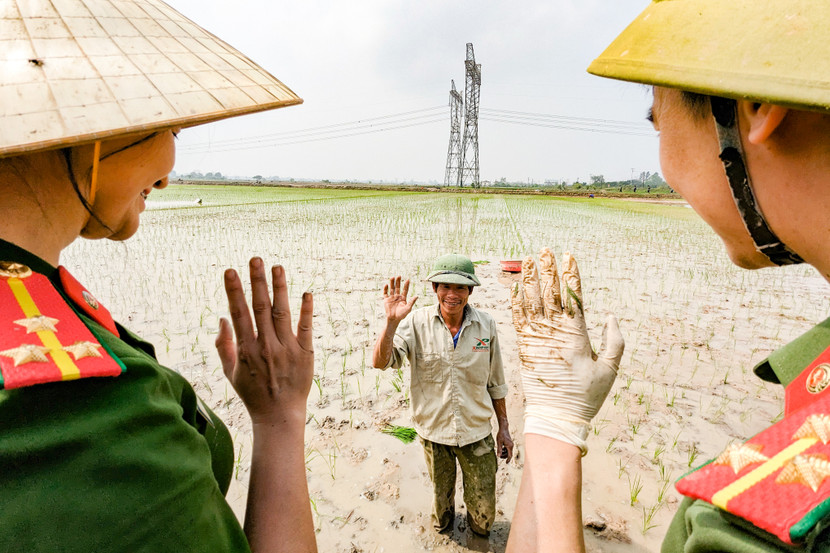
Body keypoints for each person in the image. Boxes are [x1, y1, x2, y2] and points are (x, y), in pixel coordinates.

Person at [507, 1, 830, 551]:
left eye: (658, 120)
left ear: (756, 106)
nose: (662, 158)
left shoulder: (768, 524)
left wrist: (556, 431)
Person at [0, 2, 315, 552]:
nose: (167, 175)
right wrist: (280, 417)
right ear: (93, 130)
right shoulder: (91, 414)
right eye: (166, 125)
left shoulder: (42, 295)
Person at [372, 253, 514, 537]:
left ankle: (478, 532)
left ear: (470, 291)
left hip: (476, 433)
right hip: (434, 434)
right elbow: (382, 362)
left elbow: (495, 381)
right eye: (445, 286)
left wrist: (504, 428)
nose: (452, 294)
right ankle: (444, 531)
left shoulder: (486, 326)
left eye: (460, 287)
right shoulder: (415, 323)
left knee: (484, 509)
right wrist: (390, 323)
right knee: (441, 508)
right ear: (435, 288)